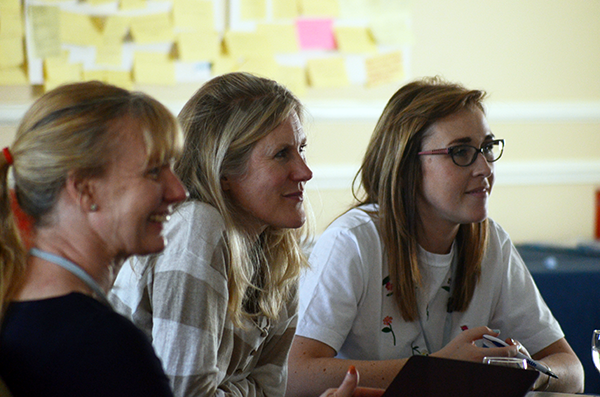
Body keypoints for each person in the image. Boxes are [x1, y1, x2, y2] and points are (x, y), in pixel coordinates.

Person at [287, 77, 585, 396]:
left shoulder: (491, 241)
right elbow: (294, 375)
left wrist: (528, 373)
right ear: (406, 166)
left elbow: (572, 371)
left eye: (486, 148)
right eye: (461, 152)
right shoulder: (353, 241)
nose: (484, 167)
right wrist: (439, 369)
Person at [110, 72, 314, 397]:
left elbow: (273, 387)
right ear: (223, 172)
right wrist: (242, 390)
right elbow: (185, 394)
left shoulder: (279, 246)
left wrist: (225, 390)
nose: (305, 171)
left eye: (302, 148)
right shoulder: (197, 228)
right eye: (281, 154)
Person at [0, 81, 189, 396]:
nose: (179, 192)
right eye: (154, 172)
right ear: (85, 190)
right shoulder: (101, 345)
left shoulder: (14, 309)